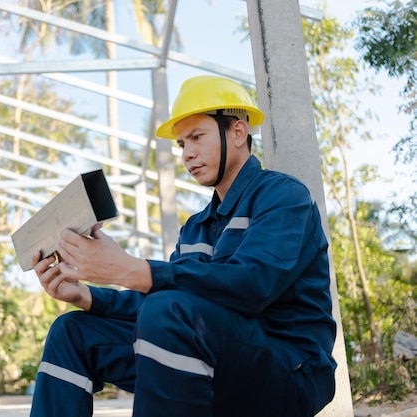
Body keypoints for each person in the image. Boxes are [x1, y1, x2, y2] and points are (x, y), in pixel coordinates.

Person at [29, 75, 337, 417]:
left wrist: (132, 269)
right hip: (217, 356)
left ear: (237, 133)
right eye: (181, 145)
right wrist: (85, 296)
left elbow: (253, 285)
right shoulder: (196, 227)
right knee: (71, 331)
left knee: (168, 311)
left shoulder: (282, 197)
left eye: (196, 137)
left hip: (291, 370)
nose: (188, 153)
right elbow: (161, 301)